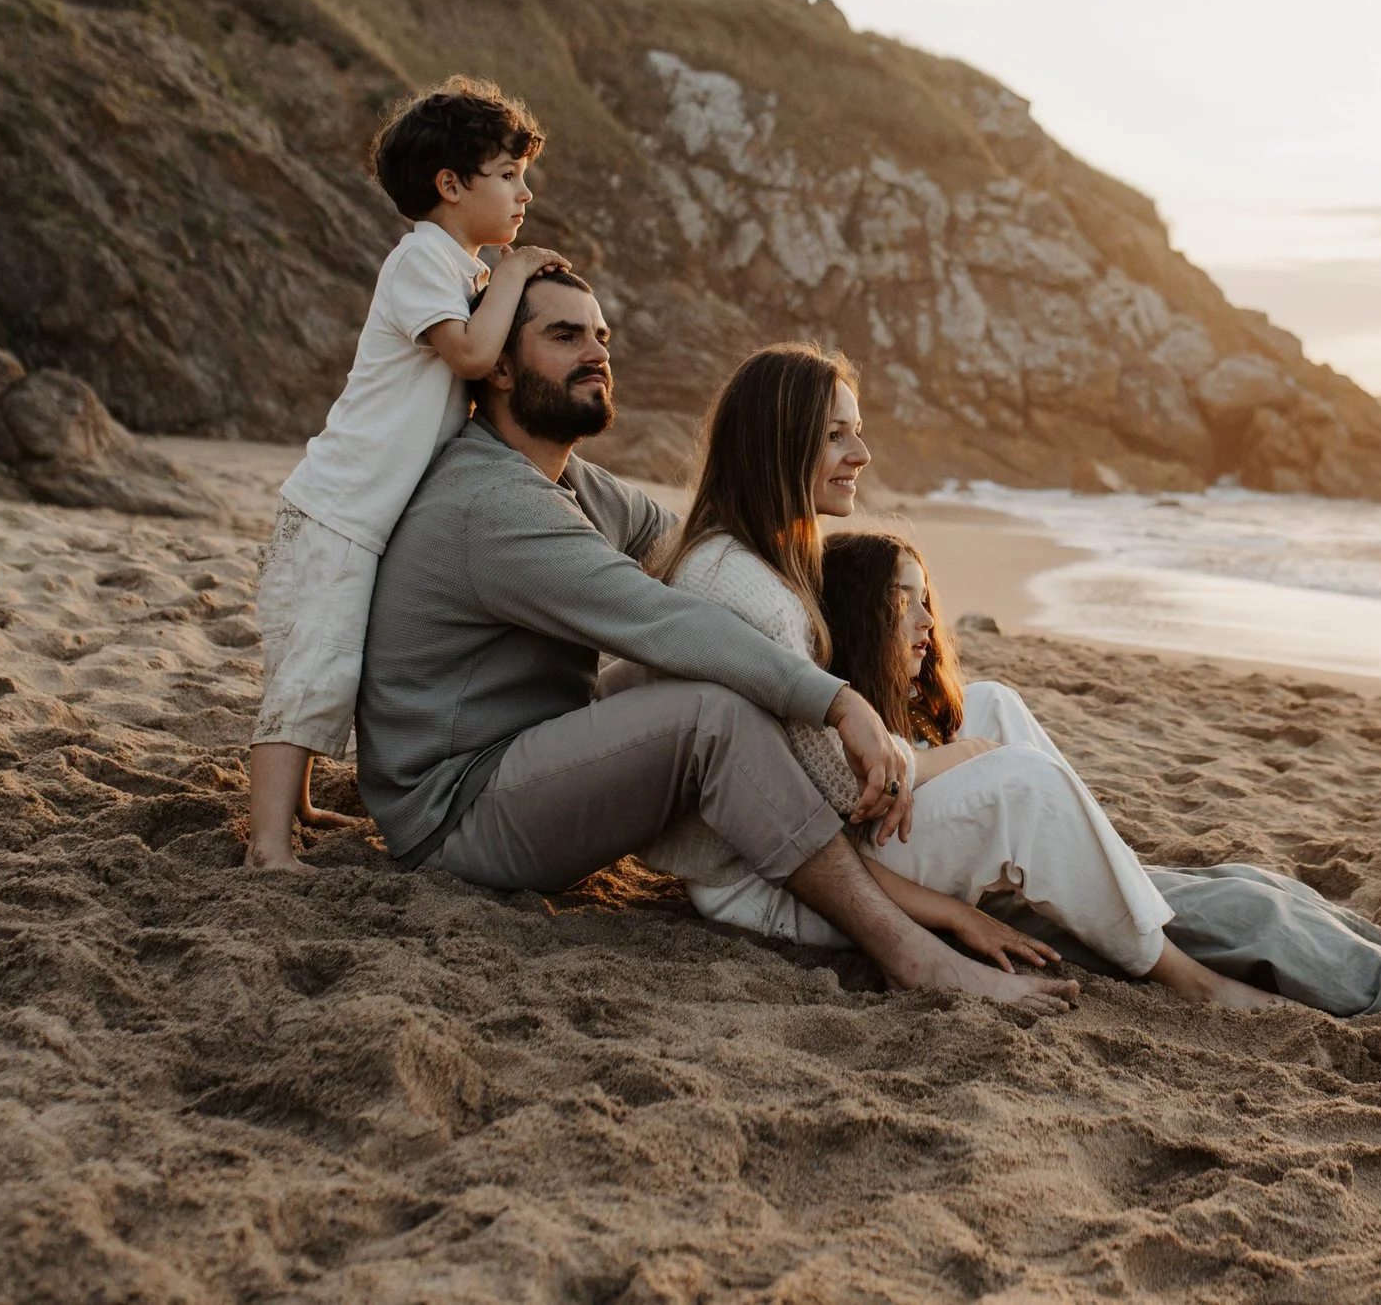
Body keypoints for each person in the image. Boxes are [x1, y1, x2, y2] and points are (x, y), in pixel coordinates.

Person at [352, 270, 1078, 1015]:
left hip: (526, 755)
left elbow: (689, 551)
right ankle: (909, 951)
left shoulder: (569, 482)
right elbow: (666, 616)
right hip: (456, 813)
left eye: (601, 335)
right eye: (564, 336)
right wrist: (840, 702)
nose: (596, 353)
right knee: (711, 712)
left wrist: (803, 578)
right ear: (498, 367)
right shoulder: (496, 504)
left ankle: (976, 884)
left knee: (713, 682)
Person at [645, 344, 1300, 1011]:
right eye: (836, 434)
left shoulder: (756, 554)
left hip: (806, 843)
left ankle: (1103, 884)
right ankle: (1188, 977)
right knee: (1024, 782)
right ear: (777, 443)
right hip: (777, 885)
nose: (862, 453)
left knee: (991, 704)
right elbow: (841, 787)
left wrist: (946, 751)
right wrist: (956, 759)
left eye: (857, 430)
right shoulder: (747, 588)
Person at [820, 530, 1381, 1021]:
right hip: (958, 898)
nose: (927, 624)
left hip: (987, 878)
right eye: (903, 603)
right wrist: (967, 789)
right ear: (860, 616)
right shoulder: (841, 739)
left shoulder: (882, 721)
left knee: (1249, 882)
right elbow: (831, 857)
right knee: (1245, 917)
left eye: (928, 602)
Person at [245, 76, 569, 870]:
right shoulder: (425, 259)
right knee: (310, 667)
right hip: (336, 509)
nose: (524, 192)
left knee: (336, 662)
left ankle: (299, 802)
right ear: (450, 185)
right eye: (507, 175)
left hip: (363, 513)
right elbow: (468, 353)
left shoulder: (457, 268)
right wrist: (518, 273)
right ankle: (265, 842)